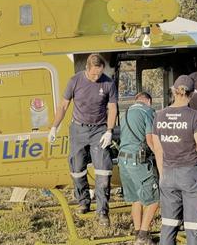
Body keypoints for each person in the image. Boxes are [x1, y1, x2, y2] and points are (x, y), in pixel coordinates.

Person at [48, 54, 118, 226]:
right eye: (94, 74)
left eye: (99, 74)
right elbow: (63, 105)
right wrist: (54, 127)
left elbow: (113, 107)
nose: (96, 77)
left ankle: (102, 212)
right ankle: (83, 201)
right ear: (87, 69)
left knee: (103, 172)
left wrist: (109, 131)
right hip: (78, 129)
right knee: (77, 169)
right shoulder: (75, 81)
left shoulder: (108, 83)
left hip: (99, 130)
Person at [151, 75, 197, 245]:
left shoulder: (159, 116)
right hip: (191, 174)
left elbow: (158, 150)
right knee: (194, 227)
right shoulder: (195, 116)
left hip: (167, 174)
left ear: (173, 92)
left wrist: (163, 175)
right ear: (192, 94)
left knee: (169, 226)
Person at [118, 92, 159, 245]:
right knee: (155, 198)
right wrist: (161, 157)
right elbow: (150, 140)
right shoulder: (148, 111)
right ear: (148, 101)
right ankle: (143, 235)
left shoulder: (126, 113)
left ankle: (138, 234)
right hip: (137, 160)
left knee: (137, 198)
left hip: (122, 160)